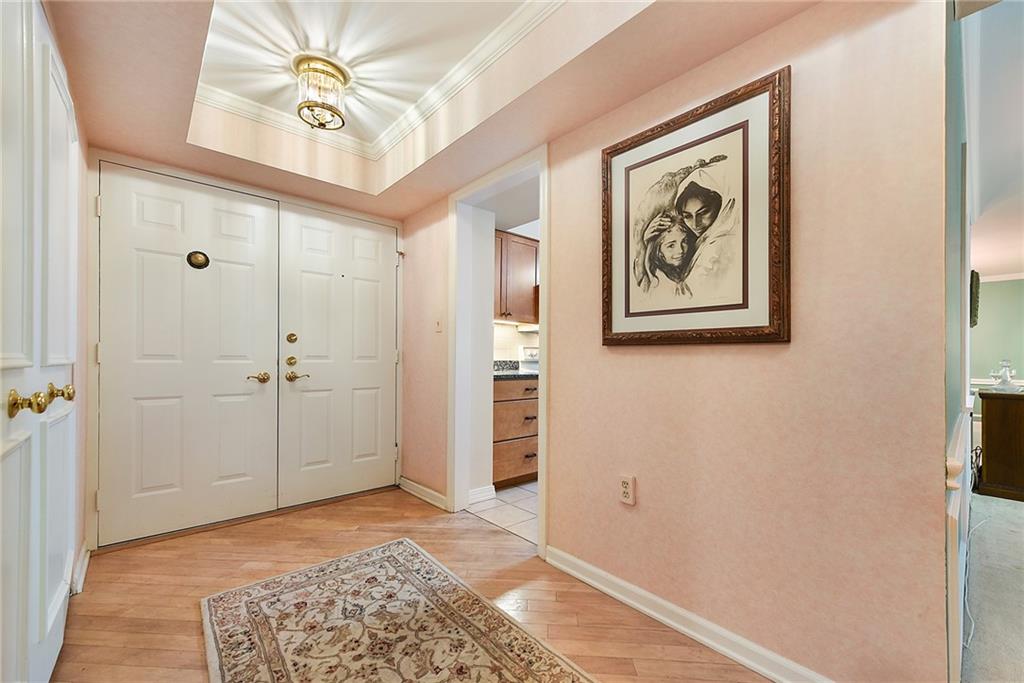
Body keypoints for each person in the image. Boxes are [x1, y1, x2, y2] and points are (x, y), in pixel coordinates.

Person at [672, 160, 742, 306]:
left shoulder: (719, 246)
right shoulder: (705, 240)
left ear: (721, 204)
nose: (695, 224)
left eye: (703, 213)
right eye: (687, 216)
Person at [633, 211, 695, 297]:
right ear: (658, 251)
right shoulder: (658, 283)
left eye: (684, 241)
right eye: (671, 245)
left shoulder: (684, 272)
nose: (680, 250)